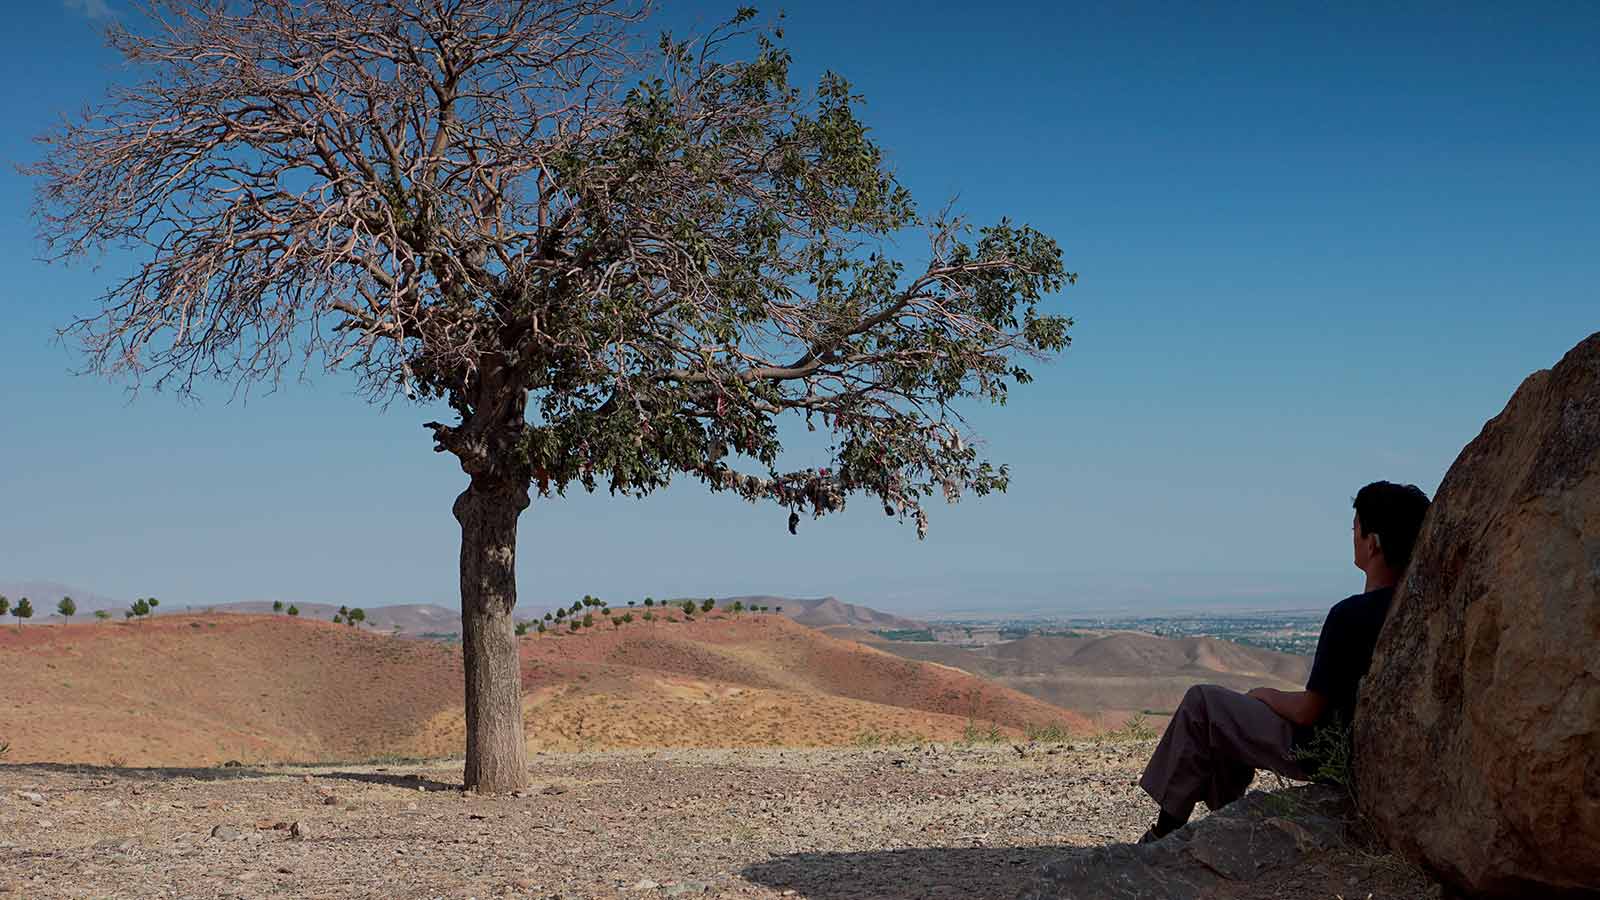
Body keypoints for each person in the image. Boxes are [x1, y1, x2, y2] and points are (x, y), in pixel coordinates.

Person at [1136, 481, 1432, 843]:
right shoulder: (1413, 608)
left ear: (1373, 543)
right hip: (1358, 747)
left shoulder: (1351, 615)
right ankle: (1223, 816)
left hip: (1319, 748)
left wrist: (1268, 695)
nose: (1352, 538)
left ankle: (1166, 830)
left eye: (1355, 529)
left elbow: (1309, 711)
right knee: (1234, 714)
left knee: (1205, 703)